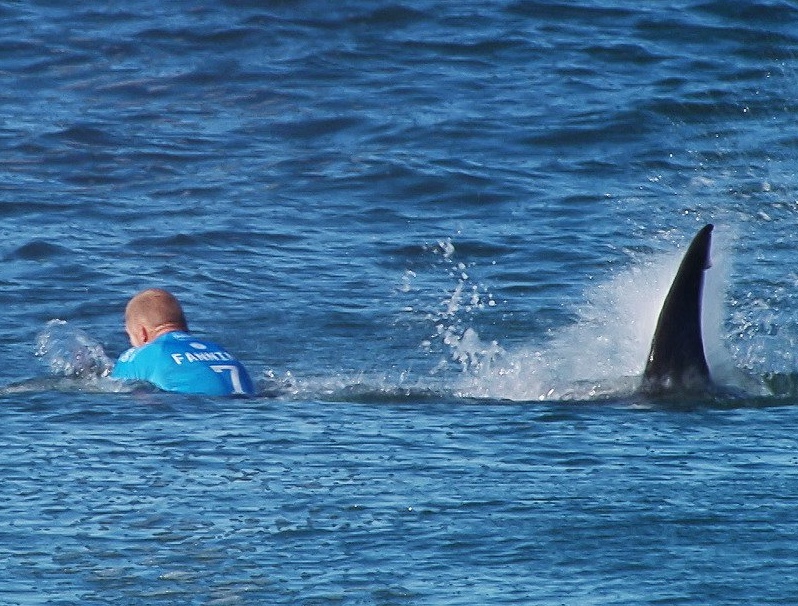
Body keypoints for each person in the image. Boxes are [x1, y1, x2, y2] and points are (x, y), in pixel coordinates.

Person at [111, 288, 255, 396]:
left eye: (130, 335)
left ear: (142, 333)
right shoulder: (219, 350)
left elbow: (114, 389)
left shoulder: (144, 354)